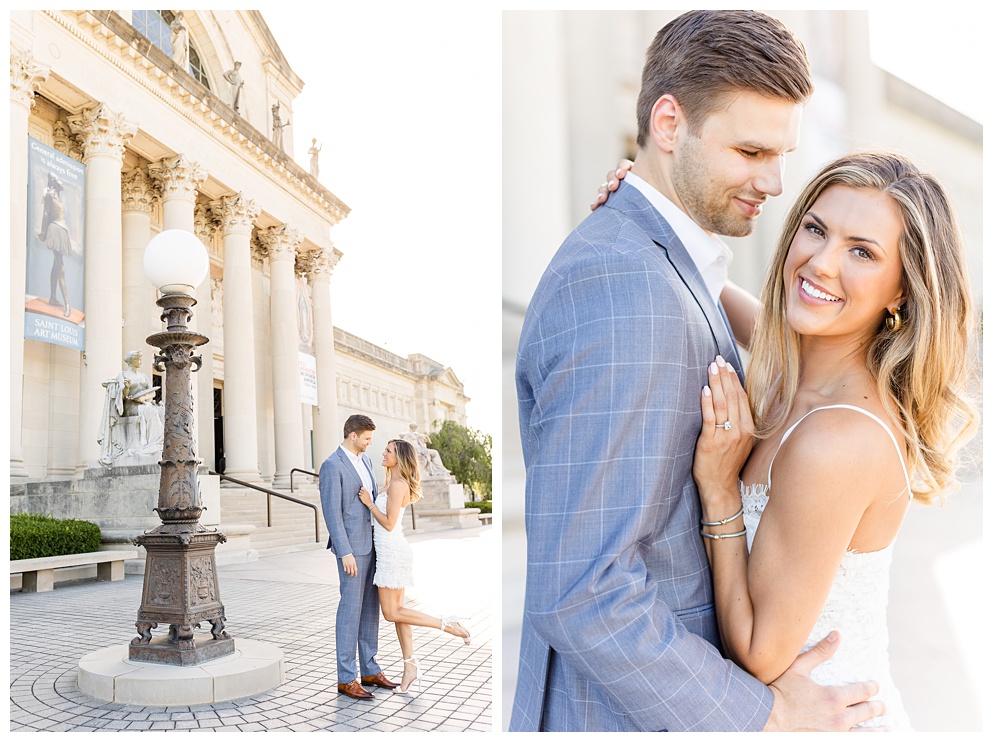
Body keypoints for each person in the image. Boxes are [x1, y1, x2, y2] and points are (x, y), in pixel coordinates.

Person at [513, 10, 884, 733]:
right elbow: (583, 590)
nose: (774, 182)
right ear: (668, 123)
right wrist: (760, 712)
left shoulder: (664, 263)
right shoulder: (623, 286)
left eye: (781, 154)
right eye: (749, 151)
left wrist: (638, 205)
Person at [686, 151, 977, 731]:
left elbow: (757, 651)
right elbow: (738, 306)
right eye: (815, 230)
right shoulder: (792, 376)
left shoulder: (837, 440)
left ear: (902, 290)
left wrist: (719, 489)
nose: (820, 263)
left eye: (861, 252)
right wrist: (656, 209)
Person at [357, 439, 471, 695]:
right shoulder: (391, 482)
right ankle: (410, 667)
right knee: (399, 612)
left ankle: (446, 624)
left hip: (392, 552)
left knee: (391, 613)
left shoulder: (398, 485)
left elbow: (388, 523)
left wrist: (369, 503)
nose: (383, 453)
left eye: (389, 451)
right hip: (392, 550)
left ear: (400, 457)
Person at [319, 414, 396, 700]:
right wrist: (345, 552)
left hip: (373, 545)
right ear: (353, 435)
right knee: (350, 612)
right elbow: (332, 514)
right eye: (366, 439)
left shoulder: (364, 461)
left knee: (369, 611)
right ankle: (346, 677)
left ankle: (370, 669)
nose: (369, 444)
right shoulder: (331, 466)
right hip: (352, 550)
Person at [37, 173, 72, 318]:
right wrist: (43, 232)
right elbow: (46, 214)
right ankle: (67, 304)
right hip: (55, 230)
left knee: (55, 265)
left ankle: (52, 296)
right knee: (60, 268)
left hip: (62, 229)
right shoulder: (50, 195)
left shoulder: (57, 195)